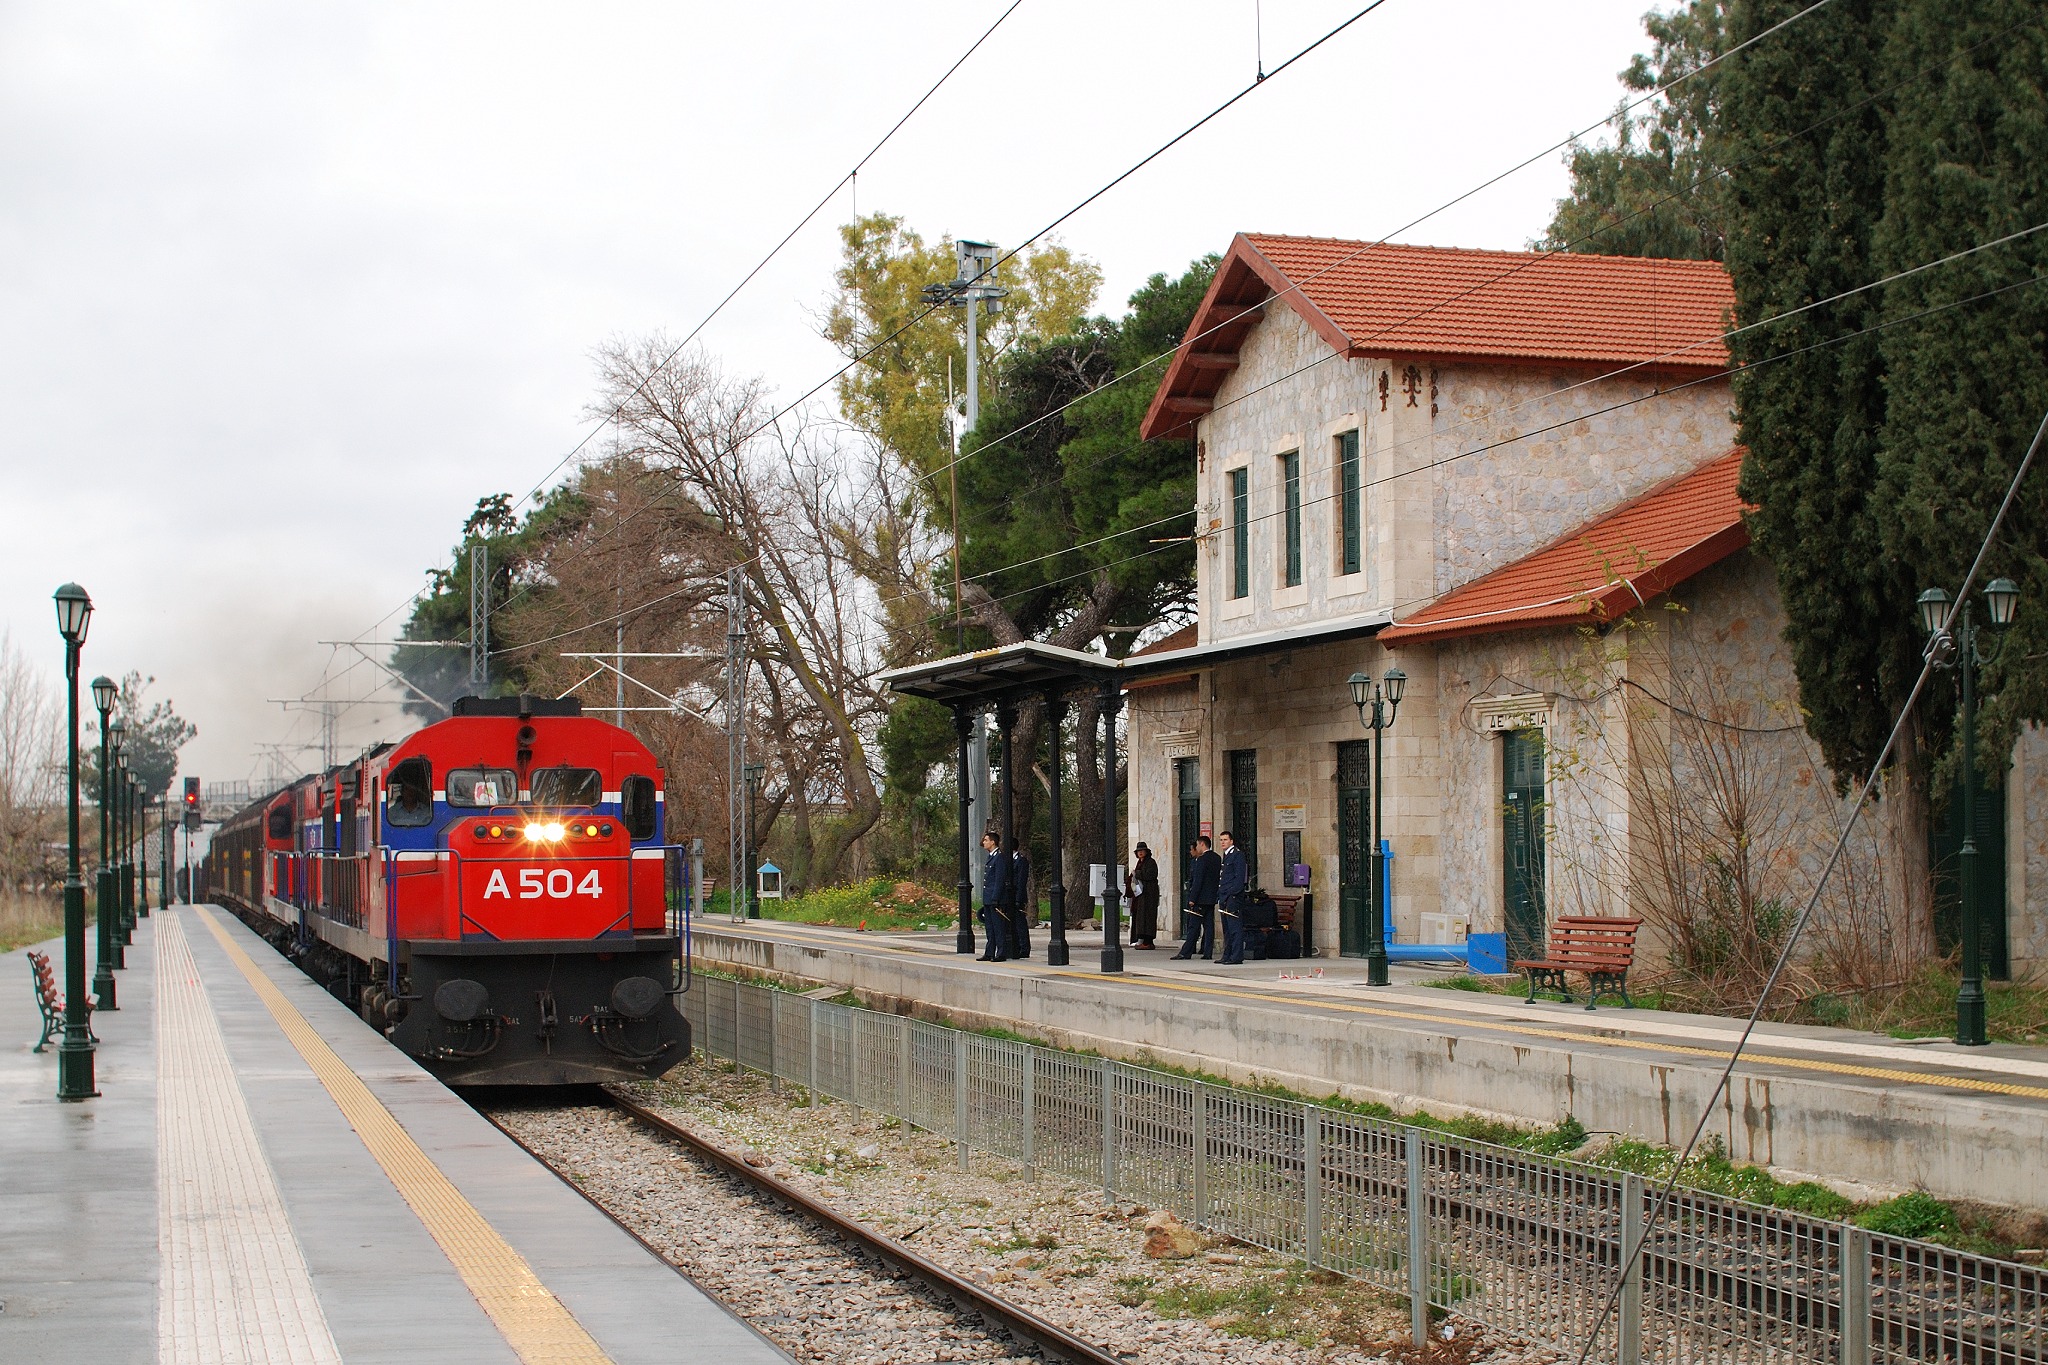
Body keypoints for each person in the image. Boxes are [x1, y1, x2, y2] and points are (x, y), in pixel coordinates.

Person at [1172, 835, 1219, 960]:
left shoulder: (1202, 860)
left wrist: (1192, 898)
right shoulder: (1217, 858)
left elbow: (1198, 881)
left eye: (1198, 845)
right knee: (1209, 926)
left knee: (1193, 926)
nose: (1196, 848)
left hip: (1200, 899)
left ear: (1202, 844)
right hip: (1211, 898)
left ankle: (1185, 952)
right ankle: (1207, 952)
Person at [1216, 829, 1249, 964]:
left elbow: (1239, 877)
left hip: (1232, 896)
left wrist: (1232, 894)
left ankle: (1236, 956)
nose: (1223, 842)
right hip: (1224, 895)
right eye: (1221, 840)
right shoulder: (1226, 855)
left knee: (1234, 927)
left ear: (1231, 841)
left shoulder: (1237, 855)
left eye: (1225, 840)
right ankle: (1227, 955)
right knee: (1226, 928)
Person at [978, 831, 1011, 962]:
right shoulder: (991, 856)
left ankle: (1001, 952)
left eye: (986, 840)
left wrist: (996, 898)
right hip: (988, 898)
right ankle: (989, 952)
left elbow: (999, 879)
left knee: (998, 927)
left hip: (995, 898)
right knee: (989, 927)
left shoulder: (999, 857)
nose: (984, 842)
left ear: (993, 842)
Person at [1128, 843, 1160, 948]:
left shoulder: (1151, 862)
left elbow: (1150, 875)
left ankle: (1148, 941)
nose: (1140, 852)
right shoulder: (1139, 863)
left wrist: (1137, 874)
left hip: (1149, 895)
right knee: (1140, 918)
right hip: (1140, 896)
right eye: (1138, 851)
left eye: (1142, 850)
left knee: (1148, 918)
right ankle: (1140, 940)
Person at [1007, 835, 1032, 959]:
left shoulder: (1021, 861)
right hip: (1009, 896)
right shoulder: (1008, 860)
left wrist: (1018, 899)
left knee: (1020, 923)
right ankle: (1015, 946)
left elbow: (1021, 881)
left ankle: (1024, 948)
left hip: (1018, 896)